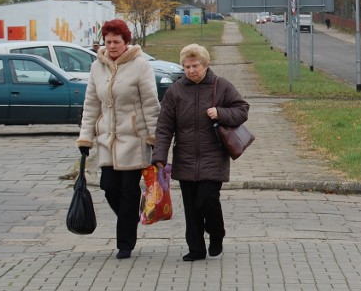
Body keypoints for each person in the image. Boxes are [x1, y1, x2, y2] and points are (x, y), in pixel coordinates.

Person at [152, 43, 249, 262]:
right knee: (191, 206)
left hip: (213, 155)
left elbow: (242, 110)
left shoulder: (221, 86)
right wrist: (159, 155)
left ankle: (216, 233)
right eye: (186, 66)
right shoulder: (176, 91)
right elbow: (164, 125)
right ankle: (195, 248)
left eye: (195, 65)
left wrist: (221, 113)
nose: (191, 70)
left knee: (207, 199)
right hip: (185, 156)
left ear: (205, 65)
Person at [75, 19, 160, 260]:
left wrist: (154, 138)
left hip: (135, 139)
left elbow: (150, 104)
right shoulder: (96, 67)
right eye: (108, 42)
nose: (112, 46)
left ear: (126, 42)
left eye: (117, 42)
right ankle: (130, 217)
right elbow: (91, 104)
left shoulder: (140, 65)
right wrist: (85, 138)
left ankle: (125, 243)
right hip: (107, 141)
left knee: (129, 191)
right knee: (108, 187)